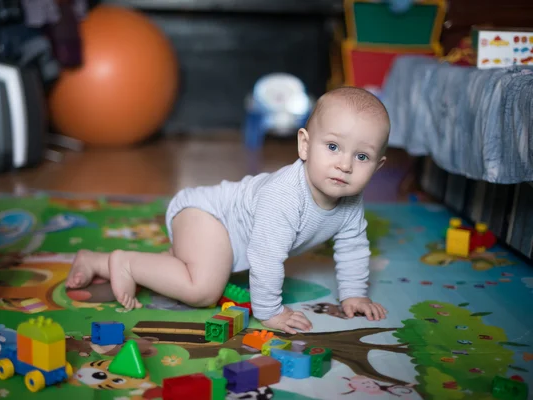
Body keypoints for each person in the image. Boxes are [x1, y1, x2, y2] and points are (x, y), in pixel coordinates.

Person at [66, 86, 390, 334]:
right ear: (304, 144)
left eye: (361, 157)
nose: (344, 164)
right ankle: (127, 263)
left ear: (377, 167)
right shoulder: (285, 197)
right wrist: (270, 311)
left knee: (185, 271)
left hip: (220, 233)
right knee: (203, 288)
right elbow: (265, 258)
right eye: (332, 147)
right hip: (206, 215)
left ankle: (98, 262)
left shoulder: (350, 204)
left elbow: (352, 248)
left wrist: (353, 295)